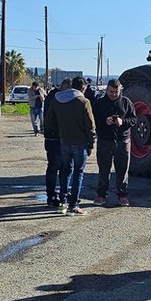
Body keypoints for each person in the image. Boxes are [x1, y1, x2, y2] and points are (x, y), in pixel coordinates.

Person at [44, 76, 95, 216]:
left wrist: (61, 130)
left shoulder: (57, 100)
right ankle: (74, 205)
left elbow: (48, 122)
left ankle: (63, 203)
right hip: (80, 143)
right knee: (78, 173)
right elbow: (90, 126)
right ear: (83, 88)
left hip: (64, 141)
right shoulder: (84, 102)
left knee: (66, 171)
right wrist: (91, 143)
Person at [92, 78, 137, 206]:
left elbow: (134, 119)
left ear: (120, 91)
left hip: (123, 141)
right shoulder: (99, 104)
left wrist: (123, 122)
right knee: (104, 170)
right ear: (107, 90)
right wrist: (104, 122)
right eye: (111, 91)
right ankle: (101, 195)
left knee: (123, 170)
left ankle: (122, 195)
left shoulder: (126, 103)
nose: (114, 94)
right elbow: (93, 121)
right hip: (105, 141)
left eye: (116, 92)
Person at [43, 78, 71, 207]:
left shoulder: (58, 98)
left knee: (66, 168)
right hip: (53, 138)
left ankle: (63, 193)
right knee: (54, 167)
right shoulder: (53, 98)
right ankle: (51, 195)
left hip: (63, 138)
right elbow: (49, 120)